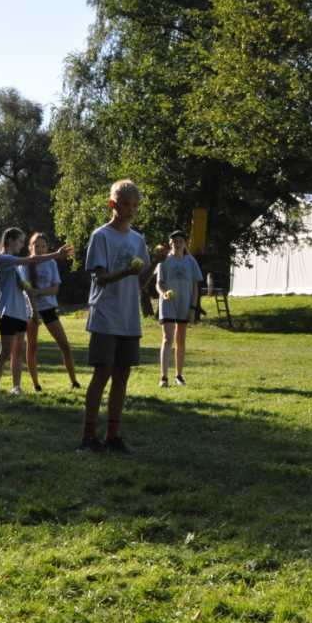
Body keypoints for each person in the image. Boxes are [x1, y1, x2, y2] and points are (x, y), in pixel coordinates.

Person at [78, 179, 150, 453]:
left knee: (122, 375)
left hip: (129, 316)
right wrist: (126, 272)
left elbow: (139, 283)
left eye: (135, 206)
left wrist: (155, 265)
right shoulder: (101, 236)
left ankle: (113, 436)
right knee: (103, 373)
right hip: (106, 314)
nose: (131, 210)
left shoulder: (137, 239)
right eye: (125, 205)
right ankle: (88, 437)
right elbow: (101, 278)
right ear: (113, 204)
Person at [0, 227, 71, 396]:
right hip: (7, 312)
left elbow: (23, 288)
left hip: (20, 313)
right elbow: (32, 260)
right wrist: (56, 254)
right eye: (19, 241)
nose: (21, 244)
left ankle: (16, 387)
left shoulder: (15, 265)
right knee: (5, 351)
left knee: (17, 352)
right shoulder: (3, 258)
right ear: (10, 240)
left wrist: (33, 310)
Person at [19, 232, 80, 392]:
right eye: (36, 246)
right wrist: (34, 311)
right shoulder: (24, 264)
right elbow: (27, 290)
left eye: (43, 246)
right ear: (30, 247)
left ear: (47, 247)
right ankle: (36, 385)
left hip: (49, 309)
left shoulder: (51, 263)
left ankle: (74, 381)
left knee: (65, 346)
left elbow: (55, 289)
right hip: (30, 310)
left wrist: (39, 292)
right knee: (32, 347)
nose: (39, 249)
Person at [156, 229, 203, 387]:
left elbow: (196, 286)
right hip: (168, 303)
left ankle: (179, 376)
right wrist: (163, 294)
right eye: (175, 241)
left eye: (180, 241)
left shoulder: (191, 262)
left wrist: (193, 307)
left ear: (185, 243)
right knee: (167, 338)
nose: (177, 244)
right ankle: (163, 377)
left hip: (185, 304)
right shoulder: (164, 261)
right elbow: (159, 283)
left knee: (180, 340)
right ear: (171, 244)